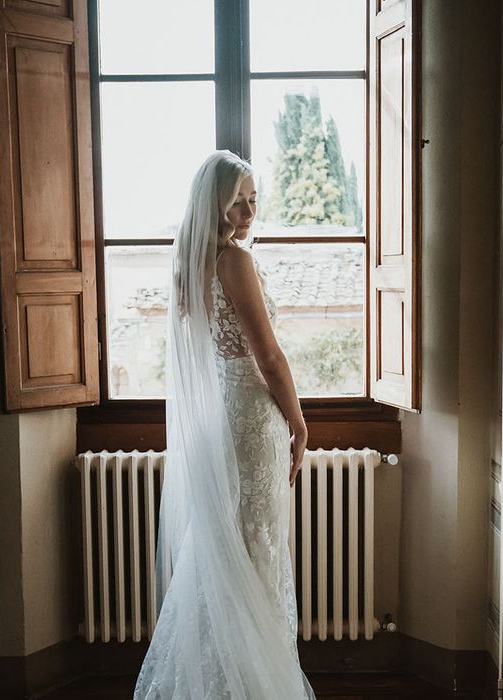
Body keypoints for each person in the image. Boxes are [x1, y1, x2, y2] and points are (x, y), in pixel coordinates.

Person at [133, 151, 316, 699]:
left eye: (254, 199)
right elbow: (269, 357)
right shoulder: (233, 262)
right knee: (254, 548)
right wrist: (299, 423)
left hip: (222, 423)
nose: (248, 211)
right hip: (252, 423)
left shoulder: (190, 264)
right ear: (213, 202)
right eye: (237, 200)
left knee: (223, 549)